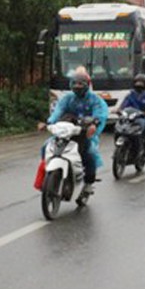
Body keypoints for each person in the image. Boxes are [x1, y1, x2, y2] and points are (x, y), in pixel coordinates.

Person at [40, 69, 109, 206]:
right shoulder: (67, 98)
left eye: (81, 83)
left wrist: (94, 125)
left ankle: (88, 184)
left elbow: (100, 115)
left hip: (84, 134)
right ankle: (48, 175)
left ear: (87, 84)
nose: (77, 86)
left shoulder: (95, 100)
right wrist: (48, 122)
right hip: (66, 132)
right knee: (46, 146)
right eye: (75, 83)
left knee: (90, 154)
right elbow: (57, 111)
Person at [119, 74, 145, 154]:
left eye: (141, 84)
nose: (139, 86)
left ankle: (144, 150)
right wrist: (118, 110)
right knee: (119, 127)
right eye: (137, 84)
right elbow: (124, 105)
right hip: (130, 118)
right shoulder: (130, 95)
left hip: (143, 118)